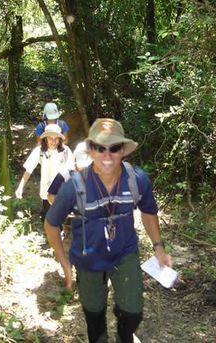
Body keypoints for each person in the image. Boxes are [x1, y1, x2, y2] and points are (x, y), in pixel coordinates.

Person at [44, 118, 172, 343]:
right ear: (90, 150)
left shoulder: (136, 179)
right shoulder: (73, 186)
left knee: (133, 312)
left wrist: (159, 248)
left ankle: (125, 334)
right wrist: (65, 264)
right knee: (94, 317)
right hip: (88, 257)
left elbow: (149, 211)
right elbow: (51, 223)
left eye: (114, 148)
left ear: (123, 150)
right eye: (100, 148)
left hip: (124, 251)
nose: (107, 155)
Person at [15, 124, 73, 222]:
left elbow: (72, 172)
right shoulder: (40, 151)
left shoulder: (66, 151)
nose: (53, 141)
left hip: (63, 193)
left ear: (60, 139)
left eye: (56, 138)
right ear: (45, 139)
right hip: (47, 193)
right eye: (50, 138)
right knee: (48, 221)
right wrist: (20, 187)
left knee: (62, 222)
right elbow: (29, 170)